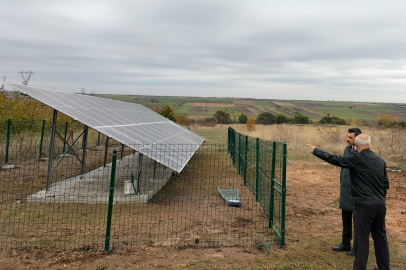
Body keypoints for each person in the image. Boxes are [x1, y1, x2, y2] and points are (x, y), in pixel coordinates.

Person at [306, 134, 390, 270]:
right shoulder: (380, 160)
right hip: (380, 205)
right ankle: (383, 267)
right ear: (369, 144)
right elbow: (385, 184)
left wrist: (316, 150)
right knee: (380, 237)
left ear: (356, 145)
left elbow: (335, 160)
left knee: (362, 239)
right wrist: (379, 199)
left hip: (363, 206)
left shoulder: (356, 158)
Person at [333, 128, 362, 256]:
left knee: (358, 221)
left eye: (350, 137)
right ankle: (345, 244)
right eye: (347, 137)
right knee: (346, 218)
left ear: (358, 138)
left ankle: (357, 248)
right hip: (345, 189)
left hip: (357, 192)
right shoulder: (347, 149)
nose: (347, 139)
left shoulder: (363, 152)